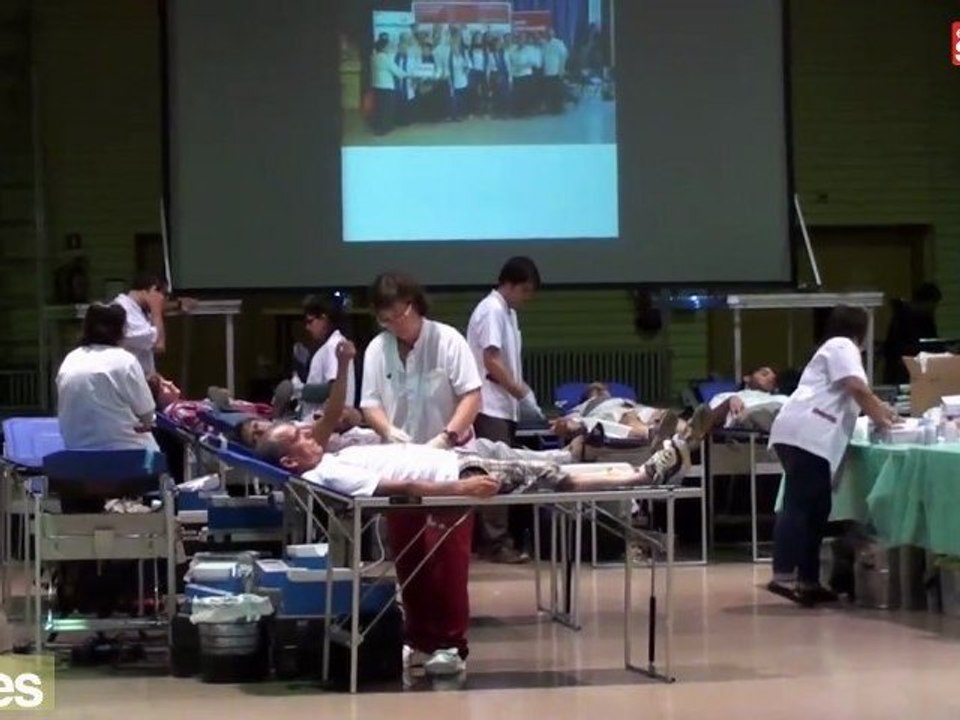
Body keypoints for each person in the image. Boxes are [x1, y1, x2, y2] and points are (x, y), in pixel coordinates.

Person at [258, 337, 690, 678]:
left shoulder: (326, 458)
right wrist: (459, 490)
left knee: (538, 465)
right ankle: (640, 473)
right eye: (296, 437)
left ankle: (618, 451)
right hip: (459, 471)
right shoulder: (326, 474)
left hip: (453, 460)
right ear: (291, 462)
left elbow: (355, 438)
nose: (305, 431)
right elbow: (398, 486)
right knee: (546, 474)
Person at [358, 271, 482, 677]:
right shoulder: (378, 349)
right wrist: (386, 429)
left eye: (397, 315)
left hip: (448, 459)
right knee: (408, 550)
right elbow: (370, 403)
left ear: (414, 306)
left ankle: (451, 643)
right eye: (384, 319)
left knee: (447, 553)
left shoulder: (448, 340)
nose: (393, 325)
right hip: (402, 461)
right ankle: (419, 637)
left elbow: (471, 395)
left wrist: (448, 436)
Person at [767, 305, 897, 607]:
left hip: (808, 435)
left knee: (817, 507)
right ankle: (783, 575)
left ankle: (809, 581)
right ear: (859, 330)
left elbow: (854, 394)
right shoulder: (842, 345)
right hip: (807, 434)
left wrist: (880, 411)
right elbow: (857, 387)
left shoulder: (833, 348)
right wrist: (883, 418)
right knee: (800, 504)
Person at [467, 256, 542, 563]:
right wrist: (520, 391)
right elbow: (492, 361)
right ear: (508, 284)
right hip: (490, 406)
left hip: (503, 407)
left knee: (502, 474)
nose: (527, 298)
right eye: (524, 291)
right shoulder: (491, 310)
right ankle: (494, 544)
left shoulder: (507, 312)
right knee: (493, 475)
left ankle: (494, 541)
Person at [56, 303, 158, 452]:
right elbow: (147, 416)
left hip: (77, 453)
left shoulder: (70, 360)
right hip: (126, 455)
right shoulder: (125, 361)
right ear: (121, 330)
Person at [301, 294, 356, 419]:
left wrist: (299, 390)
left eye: (310, 321)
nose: (307, 327)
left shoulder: (334, 345)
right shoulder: (329, 345)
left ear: (324, 319)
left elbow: (334, 388)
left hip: (328, 422)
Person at [882, 282, 942, 385]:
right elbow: (917, 345)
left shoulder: (904, 316)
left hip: (908, 368)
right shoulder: (910, 319)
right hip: (906, 370)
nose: (933, 308)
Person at [112, 273, 169, 377]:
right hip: (128, 379)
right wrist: (156, 310)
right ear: (153, 290)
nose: (163, 300)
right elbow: (159, 345)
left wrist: (179, 304)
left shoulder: (137, 310)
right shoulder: (126, 312)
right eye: (163, 294)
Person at [371, 36, 406, 135]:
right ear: (383, 47)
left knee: (380, 108)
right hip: (386, 87)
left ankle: (380, 127)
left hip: (377, 86)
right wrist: (408, 74)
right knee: (387, 108)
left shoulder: (374, 57)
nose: (390, 48)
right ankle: (385, 128)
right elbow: (397, 71)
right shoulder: (385, 58)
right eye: (388, 46)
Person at [541, 28, 568, 114]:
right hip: (547, 72)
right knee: (549, 91)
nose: (548, 35)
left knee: (557, 92)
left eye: (550, 33)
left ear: (553, 34)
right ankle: (551, 108)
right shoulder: (544, 44)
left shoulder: (558, 43)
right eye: (547, 33)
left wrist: (562, 69)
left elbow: (564, 56)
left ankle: (559, 108)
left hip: (557, 71)